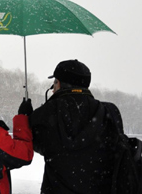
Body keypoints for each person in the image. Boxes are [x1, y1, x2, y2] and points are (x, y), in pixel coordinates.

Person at [27, 59, 123, 194]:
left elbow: (34, 143)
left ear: (58, 83)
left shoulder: (47, 112)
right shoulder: (109, 112)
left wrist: (26, 117)